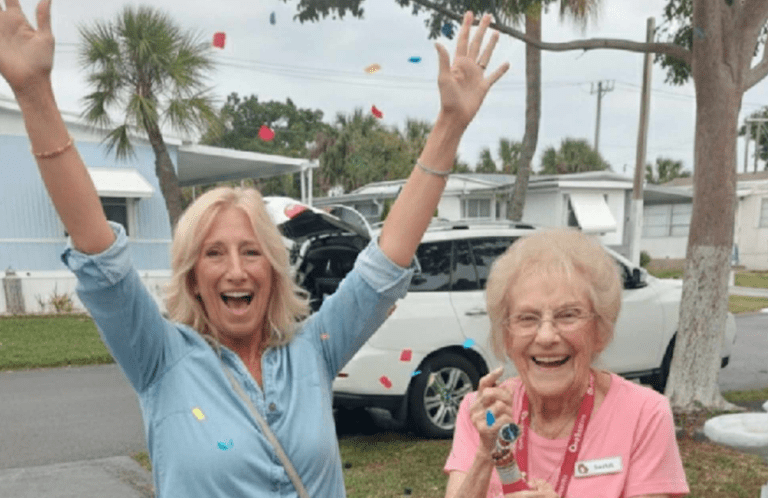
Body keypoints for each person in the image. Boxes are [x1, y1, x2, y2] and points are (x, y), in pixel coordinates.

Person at [0, 0, 509, 496]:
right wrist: (34, 95)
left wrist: (450, 125)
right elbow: (101, 260)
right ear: (192, 277)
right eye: (214, 253)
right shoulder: (159, 358)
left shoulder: (313, 352)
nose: (236, 270)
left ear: (274, 268)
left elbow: (383, 266)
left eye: (251, 252)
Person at [444, 228, 689, 498]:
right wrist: (485, 452)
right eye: (527, 318)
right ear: (507, 335)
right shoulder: (485, 413)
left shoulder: (645, 414)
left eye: (568, 315)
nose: (546, 336)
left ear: (599, 330)